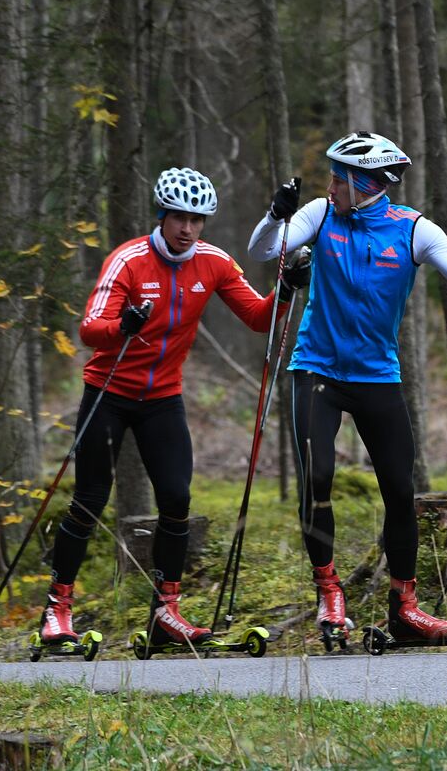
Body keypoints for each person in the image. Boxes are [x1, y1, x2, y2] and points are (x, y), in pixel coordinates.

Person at [39, 167, 308, 649]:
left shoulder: (214, 263)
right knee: (90, 499)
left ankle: (167, 612)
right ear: (162, 216)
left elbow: (257, 318)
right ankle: (57, 610)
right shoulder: (129, 261)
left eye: (197, 219)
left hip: (163, 397)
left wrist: (286, 290)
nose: (188, 228)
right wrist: (123, 325)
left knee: (177, 500)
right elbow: (88, 330)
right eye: (179, 217)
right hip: (109, 392)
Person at [248, 132, 447, 645]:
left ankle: (406, 607)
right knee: (318, 480)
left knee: (401, 492)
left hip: (377, 376)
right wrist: (277, 214)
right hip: (316, 369)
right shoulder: (319, 214)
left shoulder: (413, 230)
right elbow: (263, 249)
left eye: (339, 177)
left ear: (366, 184)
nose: (330, 184)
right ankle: (329, 593)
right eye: (332, 176)